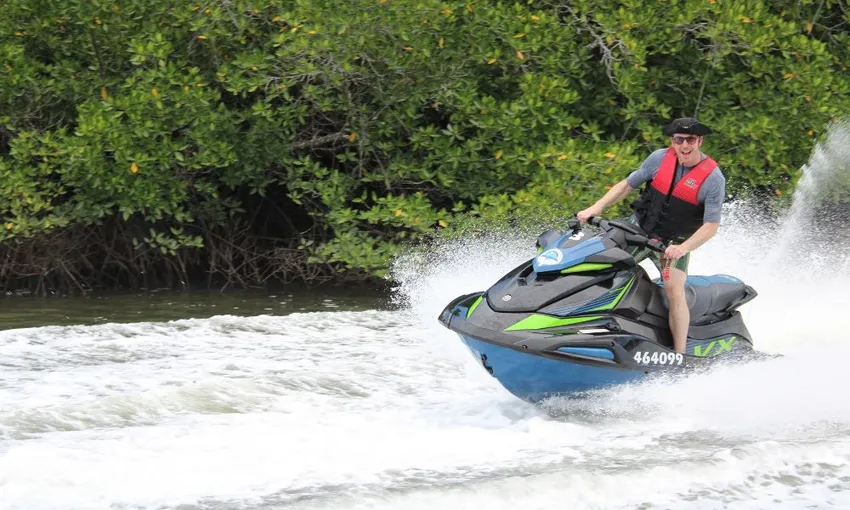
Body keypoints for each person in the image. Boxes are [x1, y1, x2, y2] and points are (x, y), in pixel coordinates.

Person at [576, 117, 726, 354]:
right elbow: (627, 185)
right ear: (672, 141)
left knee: (673, 289)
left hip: (672, 245)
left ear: (700, 141)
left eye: (690, 140)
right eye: (679, 140)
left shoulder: (713, 179)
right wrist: (597, 207)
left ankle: (680, 354)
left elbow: (711, 225)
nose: (685, 145)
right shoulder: (658, 158)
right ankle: (580, 325)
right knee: (602, 265)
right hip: (638, 231)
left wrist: (683, 248)